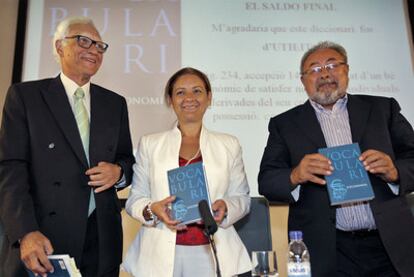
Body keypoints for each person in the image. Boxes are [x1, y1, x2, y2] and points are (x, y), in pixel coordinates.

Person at [258, 41, 414, 277]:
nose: (325, 74)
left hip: (390, 243)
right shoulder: (285, 124)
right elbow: (267, 181)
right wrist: (295, 175)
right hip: (327, 250)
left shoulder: (383, 109)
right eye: (315, 69)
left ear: (346, 70)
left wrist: (395, 172)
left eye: (332, 65)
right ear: (303, 80)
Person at [0, 16, 135, 277]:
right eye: (84, 41)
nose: (94, 49)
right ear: (60, 46)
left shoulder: (114, 104)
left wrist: (118, 173)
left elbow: (126, 160)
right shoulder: (26, 97)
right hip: (44, 237)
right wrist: (25, 232)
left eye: (99, 45)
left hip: (102, 242)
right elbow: (11, 170)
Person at [122, 67, 251, 277]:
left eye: (197, 91)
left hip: (215, 249)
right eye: (180, 92)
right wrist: (153, 209)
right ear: (170, 100)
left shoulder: (229, 144)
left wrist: (225, 207)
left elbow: (242, 199)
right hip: (158, 254)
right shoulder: (150, 144)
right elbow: (134, 199)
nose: (189, 98)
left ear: (209, 98)